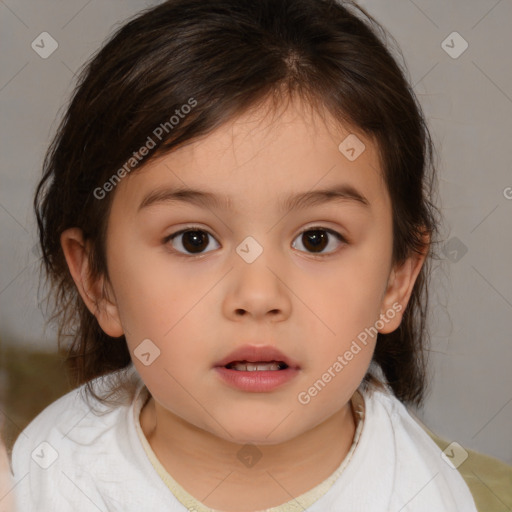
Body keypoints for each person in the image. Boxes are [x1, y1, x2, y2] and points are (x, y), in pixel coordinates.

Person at [9, 0, 482, 510]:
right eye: (193, 240)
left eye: (317, 239)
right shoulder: (55, 471)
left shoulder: (418, 494)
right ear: (98, 280)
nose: (258, 297)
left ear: (396, 280)